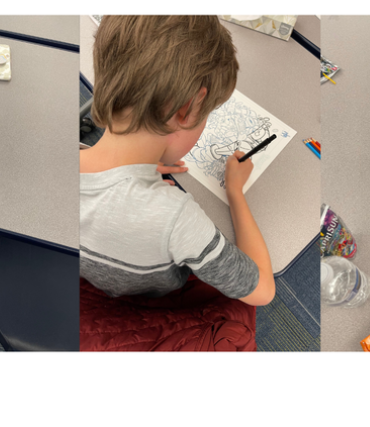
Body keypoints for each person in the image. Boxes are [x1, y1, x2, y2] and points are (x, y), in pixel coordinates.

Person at [80, 16, 275, 306]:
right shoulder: (177, 218)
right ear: (188, 109)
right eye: (207, 113)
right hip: (155, 300)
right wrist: (234, 191)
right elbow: (262, 291)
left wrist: (141, 166)